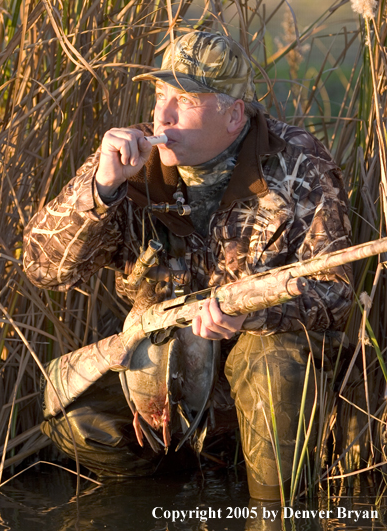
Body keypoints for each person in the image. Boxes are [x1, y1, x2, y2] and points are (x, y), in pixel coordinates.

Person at [23, 31, 353, 500]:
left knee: (272, 362)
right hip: (162, 371)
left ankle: (271, 509)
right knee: (70, 406)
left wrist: (252, 315)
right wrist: (100, 190)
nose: (162, 115)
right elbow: (41, 269)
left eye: (185, 99)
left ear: (234, 114)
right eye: (160, 95)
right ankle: (168, 496)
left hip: (256, 367)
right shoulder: (126, 160)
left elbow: (336, 292)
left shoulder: (297, 163)